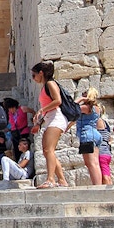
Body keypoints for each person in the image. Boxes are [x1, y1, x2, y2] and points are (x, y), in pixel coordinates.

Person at [31, 61, 69, 189]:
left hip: (56, 118)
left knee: (48, 150)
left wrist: (41, 110)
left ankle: (51, 179)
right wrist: (39, 123)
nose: (33, 78)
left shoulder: (50, 83)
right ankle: (62, 180)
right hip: (49, 119)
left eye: (34, 75)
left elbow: (57, 100)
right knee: (47, 152)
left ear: (41, 73)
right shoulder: (44, 87)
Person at [75, 89, 104, 186]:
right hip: (95, 134)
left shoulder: (86, 108)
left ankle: (97, 186)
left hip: (86, 135)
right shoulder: (97, 108)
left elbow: (72, 108)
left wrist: (80, 99)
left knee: (90, 164)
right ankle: (98, 185)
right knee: (95, 163)